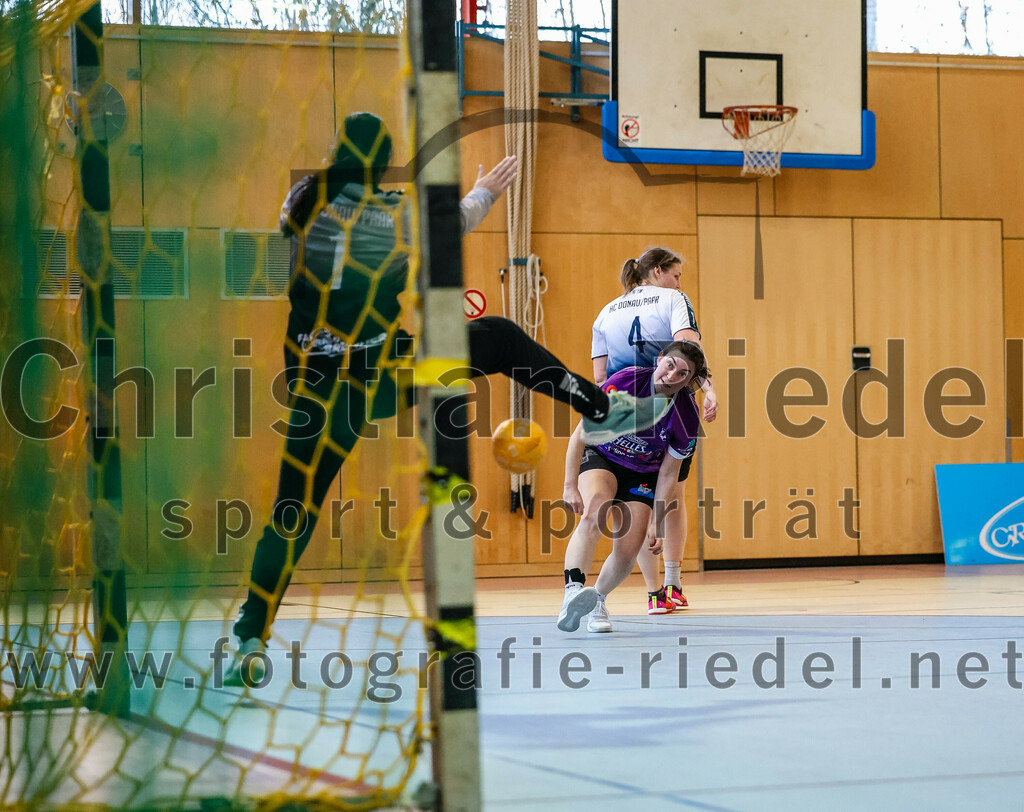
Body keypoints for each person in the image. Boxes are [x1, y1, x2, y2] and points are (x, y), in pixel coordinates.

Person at [224, 112, 670, 685]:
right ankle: (603, 409)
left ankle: (247, 637)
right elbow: (449, 223)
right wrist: (484, 192)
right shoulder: (391, 211)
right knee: (501, 339)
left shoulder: (302, 200)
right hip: (385, 371)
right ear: (384, 158)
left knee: (294, 512)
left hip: (316, 383)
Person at [591, 246, 718, 612]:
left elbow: (600, 377)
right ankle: (673, 583)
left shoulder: (606, 312)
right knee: (671, 494)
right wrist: (709, 389)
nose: (679, 281)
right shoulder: (673, 298)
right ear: (659, 271)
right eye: (676, 274)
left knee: (633, 505)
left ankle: (653, 592)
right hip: (671, 406)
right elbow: (688, 347)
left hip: (623, 408)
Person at [557, 341, 709, 633]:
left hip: (642, 473)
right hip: (602, 455)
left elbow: (669, 475)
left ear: (689, 382)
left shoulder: (687, 418)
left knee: (629, 549)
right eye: (670, 365)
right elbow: (580, 433)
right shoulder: (625, 381)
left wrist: (657, 520)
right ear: (660, 358)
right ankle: (572, 591)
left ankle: (595, 601)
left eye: (683, 374)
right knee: (597, 508)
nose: (671, 376)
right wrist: (569, 485)